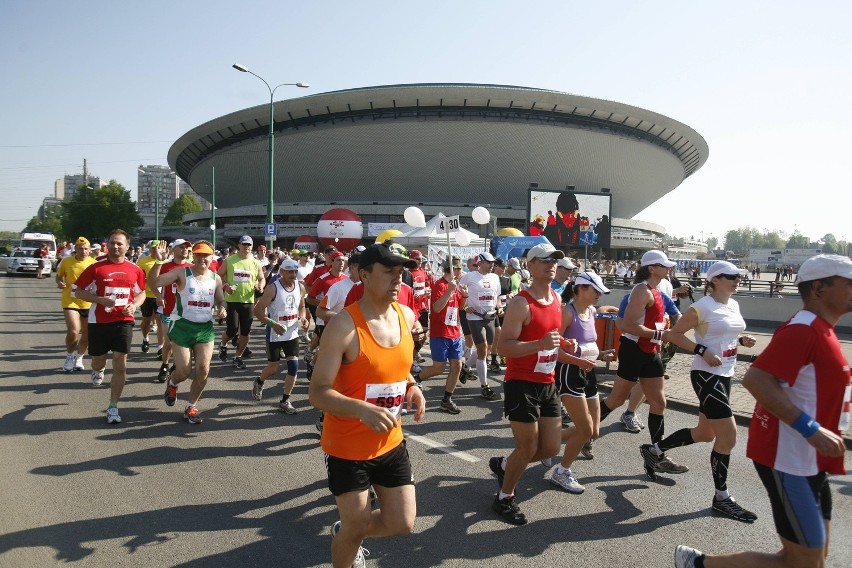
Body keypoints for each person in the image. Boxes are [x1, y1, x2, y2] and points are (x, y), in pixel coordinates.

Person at [675, 254, 851, 568]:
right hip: (788, 458)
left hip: (811, 458)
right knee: (803, 562)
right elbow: (757, 378)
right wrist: (810, 428)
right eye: (848, 283)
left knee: (814, 559)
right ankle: (703, 553)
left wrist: (739, 339)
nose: (736, 280)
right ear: (820, 289)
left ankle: (700, 561)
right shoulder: (804, 329)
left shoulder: (821, 329)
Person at [308, 242, 426, 568]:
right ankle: (350, 536)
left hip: (390, 442)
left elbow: (398, 369)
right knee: (357, 527)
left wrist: (413, 387)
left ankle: (347, 533)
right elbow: (317, 393)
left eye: (400, 273)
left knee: (402, 522)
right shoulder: (344, 326)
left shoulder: (406, 315)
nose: (397, 281)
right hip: (348, 447)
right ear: (364, 275)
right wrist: (361, 409)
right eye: (388, 272)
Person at [645, 261, 758, 522]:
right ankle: (721, 497)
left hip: (726, 373)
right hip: (706, 375)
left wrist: (742, 340)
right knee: (728, 436)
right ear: (715, 279)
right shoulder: (702, 306)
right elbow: (673, 335)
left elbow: (724, 334)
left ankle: (654, 451)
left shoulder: (733, 304)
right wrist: (700, 350)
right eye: (731, 276)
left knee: (705, 433)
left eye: (738, 276)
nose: (737, 279)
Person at [490, 243, 577, 525]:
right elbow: (504, 347)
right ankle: (504, 497)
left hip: (547, 381)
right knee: (527, 448)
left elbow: (549, 337)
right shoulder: (520, 303)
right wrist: (539, 344)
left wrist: (564, 343)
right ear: (530, 266)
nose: (552, 264)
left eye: (556, 260)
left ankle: (505, 464)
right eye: (545, 260)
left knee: (550, 448)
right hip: (521, 382)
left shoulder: (556, 298)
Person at [597, 250, 689, 477]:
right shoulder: (641, 291)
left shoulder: (657, 290)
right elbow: (627, 326)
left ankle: (656, 455)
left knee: (659, 403)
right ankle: (584, 431)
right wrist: (662, 335)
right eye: (664, 265)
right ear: (651, 268)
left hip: (650, 351)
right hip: (634, 350)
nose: (669, 268)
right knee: (616, 399)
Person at [547, 271, 616, 493]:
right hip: (569, 372)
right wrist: (577, 361)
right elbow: (553, 349)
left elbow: (587, 346)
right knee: (585, 429)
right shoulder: (567, 313)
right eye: (596, 291)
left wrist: (602, 355)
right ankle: (562, 471)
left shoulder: (592, 311)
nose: (599, 295)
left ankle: (548, 443)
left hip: (587, 372)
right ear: (581, 289)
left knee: (593, 431)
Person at [73, 229, 147, 424]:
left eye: (119, 243)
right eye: (112, 243)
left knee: (120, 365)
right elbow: (78, 292)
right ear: (107, 245)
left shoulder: (135, 269)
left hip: (124, 321)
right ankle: (98, 369)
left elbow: (142, 293)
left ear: (127, 246)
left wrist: (135, 305)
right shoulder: (96, 268)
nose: (115, 246)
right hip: (98, 322)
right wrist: (99, 299)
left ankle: (113, 406)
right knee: (97, 360)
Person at [149, 241, 226, 424]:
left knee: (203, 370)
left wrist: (223, 308)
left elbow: (221, 299)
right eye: (198, 254)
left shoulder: (216, 278)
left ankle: (191, 405)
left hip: (205, 328)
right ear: (193, 256)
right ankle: (173, 382)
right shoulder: (182, 273)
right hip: (183, 326)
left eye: (206, 255)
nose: (202, 258)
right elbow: (154, 283)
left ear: (211, 257)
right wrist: (159, 262)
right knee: (184, 371)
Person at [252, 258, 308, 414]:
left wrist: (303, 317)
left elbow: (302, 306)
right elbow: (257, 310)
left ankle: (285, 400)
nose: (293, 274)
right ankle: (259, 380)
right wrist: (272, 324)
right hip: (274, 334)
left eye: (295, 271)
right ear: (282, 272)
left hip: (291, 333)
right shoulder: (272, 288)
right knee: (273, 368)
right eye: (289, 271)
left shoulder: (300, 287)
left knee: (294, 367)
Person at [413, 255, 466, 414]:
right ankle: (418, 378)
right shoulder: (440, 285)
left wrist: (465, 295)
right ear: (454, 269)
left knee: (457, 366)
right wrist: (449, 291)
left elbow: (460, 307)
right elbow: (436, 308)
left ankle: (446, 399)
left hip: (454, 333)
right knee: (439, 368)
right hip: (440, 333)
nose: (462, 271)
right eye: (460, 268)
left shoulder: (455, 285)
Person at [458, 252, 503, 400]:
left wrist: (499, 307)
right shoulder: (469, 276)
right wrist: (465, 308)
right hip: (475, 317)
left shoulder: (495, 277)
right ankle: (484, 386)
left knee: (487, 351)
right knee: (482, 350)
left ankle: (465, 367)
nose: (492, 266)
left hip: (490, 317)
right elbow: (458, 295)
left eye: (493, 263)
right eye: (489, 263)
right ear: (481, 263)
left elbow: (496, 296)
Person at [217, 235, 265, 369]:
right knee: (232, 330)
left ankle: (237, 357)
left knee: (245, 332)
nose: (247, 247)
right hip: (232, 300)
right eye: (244, 244)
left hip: (248, 301)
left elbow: (261, 278)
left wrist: (260, 286)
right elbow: (219, 276)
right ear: (239, 246)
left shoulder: (256, 263)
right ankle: (223, 345)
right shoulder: (230, 260)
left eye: (249, 245)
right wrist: (226, 286)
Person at [154, 240, 193, 382]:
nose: (185, 250)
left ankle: (177, 365)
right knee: (169, 343)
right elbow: (152, 282)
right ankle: (164, 365)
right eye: (181, 247)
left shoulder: (192, 268)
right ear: (173, 249)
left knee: (182, 342)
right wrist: (158, 295)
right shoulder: (165, 266)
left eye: (187, 248)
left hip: (186, 312)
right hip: (168, 310)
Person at [55, 236, 96, 372]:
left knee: (87, 334)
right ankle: (69, 356)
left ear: (89, 250)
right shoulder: (67, 261)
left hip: (88, 301)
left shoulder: (94, 263)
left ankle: (79, 357)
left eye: (85, 249)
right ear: (75, 250)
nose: (83, 251)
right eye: (80, 249)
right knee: (73, 330)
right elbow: (59, 275)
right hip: (70, 300)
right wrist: (60, 282)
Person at [136, 241, 168, 356]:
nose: (155, 251)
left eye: (157, 248)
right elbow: (138, 278)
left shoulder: (166, 261)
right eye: (153, 248)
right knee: (146, 320)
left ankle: (160, 347)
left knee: (160, 320)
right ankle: (145, 338)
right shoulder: (143, 262)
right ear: (149, 249)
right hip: (147, 295)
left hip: (161, 295)